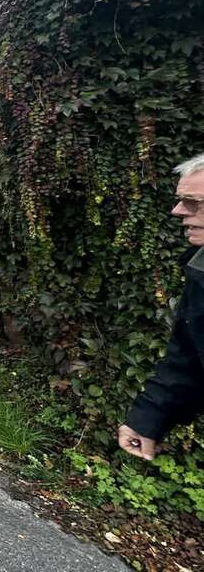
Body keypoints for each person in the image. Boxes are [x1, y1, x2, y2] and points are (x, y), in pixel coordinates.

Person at [119, 154, 204, 460]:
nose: (178, 211)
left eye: (193, 202)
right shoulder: (200, 268)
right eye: (181, 200)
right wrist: (148, 419)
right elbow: (187, 354)